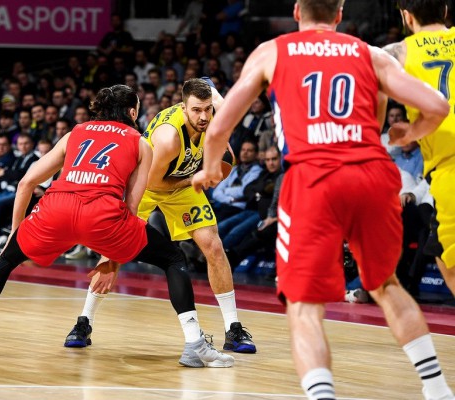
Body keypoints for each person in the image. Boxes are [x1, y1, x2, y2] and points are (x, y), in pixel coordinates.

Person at [192, 1, 454, 399]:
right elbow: (437, 106)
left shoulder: (272, 51)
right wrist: (409, 134)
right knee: (387, 286)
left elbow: (219, 127)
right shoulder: (370, 54)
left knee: (304, 305)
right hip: (372, 174)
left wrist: (210, 169)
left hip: (314, 177)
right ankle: (437, 390)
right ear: (339, 14)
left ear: (297, 11)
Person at [0, 84, 234, 368]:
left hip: (56, 209)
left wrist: (15, 233)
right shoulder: (140, 142)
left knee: (6, 261)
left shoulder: (74, 133)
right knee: (173, 258)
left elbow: (26, 183)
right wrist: (113, 256)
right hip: (102, 214)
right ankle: (194, 344)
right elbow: (132, 209)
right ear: (133, 112)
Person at [65, 78, 257, 354]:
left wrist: (216, 168)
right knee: (114, 250)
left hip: (183, 183)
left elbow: (226, 155)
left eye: (207, 109)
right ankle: (84, 321)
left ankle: (233, 328)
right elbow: (154, 183)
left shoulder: (216, 116)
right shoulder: (168, 138)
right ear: (184, 107)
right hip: (146, 184)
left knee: (214, 246)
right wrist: (196, 178)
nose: (203, 117)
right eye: (196, 110)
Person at [383, 0, 455, 298]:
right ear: (445, 12)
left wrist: (407, 134)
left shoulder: (398, 52)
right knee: (440, 253)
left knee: (451, 262)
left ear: (406, 16)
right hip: (443, 171)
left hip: (450, 165)